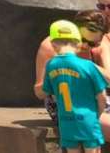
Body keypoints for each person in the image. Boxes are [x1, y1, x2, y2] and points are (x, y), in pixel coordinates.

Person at [41, 20, 108, 152]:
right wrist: (97, 114)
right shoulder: (88, 65)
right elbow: (102, 96)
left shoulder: (50, 65)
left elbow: (49, 93)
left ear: (53, 44)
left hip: (66, 122)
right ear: (77, 43)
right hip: (88, 121)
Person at [36, 11, 110, 121]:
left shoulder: (100, 45)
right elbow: (39, 92)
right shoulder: (52, 46)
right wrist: (59, 73)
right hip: (66, 104)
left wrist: (86, 67)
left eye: (93, 43)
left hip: (99, 100)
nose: (86, 45)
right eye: (82, 39)